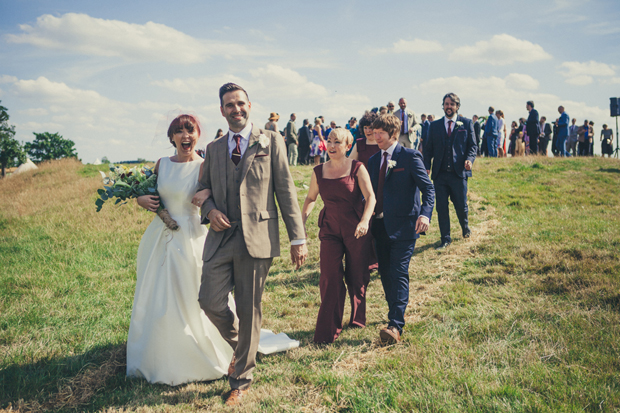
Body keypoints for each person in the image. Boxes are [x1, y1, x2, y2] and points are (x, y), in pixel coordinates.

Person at [197, 83, 307, 406]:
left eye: (240, 103)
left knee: (249, 309)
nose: (236, 109)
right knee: (209, 301)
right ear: (221, 110)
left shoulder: (270, 140)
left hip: (257, 238)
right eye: (229, 105)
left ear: (249, 105)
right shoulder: (214, 148)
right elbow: (204, 190)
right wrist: (210, 211)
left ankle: (241, 379)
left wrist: (297, 238)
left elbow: (286, 190)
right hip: (221, 238)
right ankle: (244, 348)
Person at [127, 114, 233, 385]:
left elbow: (219, 194)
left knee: (192, 294)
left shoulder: (204, 166)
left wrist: (207, 195)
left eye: (190, 130)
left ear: (198, 135)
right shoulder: (161, 164)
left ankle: (200, 351)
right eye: (179, 131)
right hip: (159, 238)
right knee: (157, 294)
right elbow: (148, 192)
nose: (185, 136)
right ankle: (157, 352)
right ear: (171, 137)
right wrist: (141, 199)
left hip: (191, 237)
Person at [302, 128, 376, 344]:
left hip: (355, 227)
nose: (332, 146)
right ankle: (328, 331)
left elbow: (370, 197)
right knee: (329, 276)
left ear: (347, 146)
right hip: (330, 228)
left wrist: (364, 221)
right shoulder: (318, 171)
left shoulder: (357, 167)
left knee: (357, 273)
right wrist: (302, 223)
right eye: (330, 141)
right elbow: (311, 198)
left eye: (338, 142)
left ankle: (357, 316)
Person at [368, 114, 434, 344]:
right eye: (374, 132)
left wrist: (425, 214)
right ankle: (393, 314)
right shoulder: (374, 161)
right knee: (385, 273)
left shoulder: (410, 156)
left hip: (405, 227)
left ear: (394, 134)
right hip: (379, 226)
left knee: (398, 272)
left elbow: (429, 189)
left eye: (380, 133)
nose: (376, 136)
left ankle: (395, 325)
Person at [423, 93, 477, 249]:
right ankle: (445, 238)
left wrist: (469, 160)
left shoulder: (466, 124)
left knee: (461, 205)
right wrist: (427, 165)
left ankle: (465, 227)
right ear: (443, 106)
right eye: (446, 104)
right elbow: (428, 149)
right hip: (440, 174)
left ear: (457, 106)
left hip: (458, 173)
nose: (449, 107)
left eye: (452, 104)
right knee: (441, 207)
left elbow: (473, 146)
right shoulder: (434, 126)